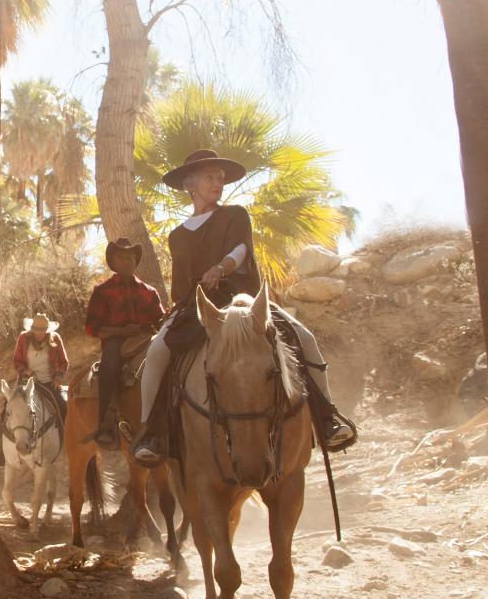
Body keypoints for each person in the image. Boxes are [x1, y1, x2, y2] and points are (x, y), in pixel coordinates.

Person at [130, 149, 357, 468]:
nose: (218, 183)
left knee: (303, 337)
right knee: (156, 353)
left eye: (221, 178)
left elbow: (240, 250)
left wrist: (220, 269)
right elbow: (181, 280)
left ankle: (328, 417)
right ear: (190, 184)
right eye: (210, 177)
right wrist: (178, 308)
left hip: (243, 301)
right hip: (196, 308)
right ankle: (151, 432)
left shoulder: (235, 215)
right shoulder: (177, 235)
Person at [83, 238, 165, 451]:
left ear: (135, 260)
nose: (127, 260)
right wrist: (119, 332)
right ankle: (107, 424)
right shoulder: (102, 291)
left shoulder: (149, 291)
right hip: (116, 341)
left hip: (146, 337)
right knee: (109, 367)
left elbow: (160, 319)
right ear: (114, 261)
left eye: (130, 256)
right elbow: (92, 326)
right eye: (121, 256)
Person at [0, 313, 68, 467]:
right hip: (25, 383)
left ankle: (63, 442)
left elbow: (64, 363)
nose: (40, 333)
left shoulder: (55, 339)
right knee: (5, 409)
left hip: (48, 382)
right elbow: (16, 360)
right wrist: (25, 370)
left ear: (47, 330)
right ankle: (1, 452)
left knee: (63, 404)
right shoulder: (23, 339)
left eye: (43, 330)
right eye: (37, 330)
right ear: (32, 329)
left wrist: (58, 378)